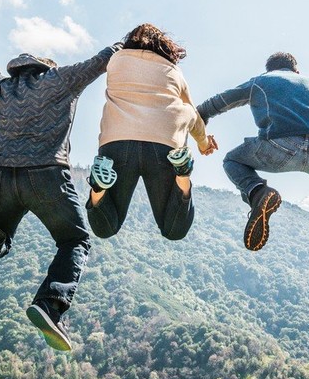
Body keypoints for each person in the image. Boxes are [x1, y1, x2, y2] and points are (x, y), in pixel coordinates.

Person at [0, 35, 121, 351]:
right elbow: (101, 61)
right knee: (75, 241)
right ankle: (50, 303)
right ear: (45, 67)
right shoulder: (60, 80)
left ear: (17, 70)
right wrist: (126, 42)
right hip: (46, 175)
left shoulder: (3, 88)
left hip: (2, 176)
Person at [196, 52, 309, 270]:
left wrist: (199, 130)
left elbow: (217, 103)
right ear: (297, 71)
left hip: (280, 148)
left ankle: (258, 192)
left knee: (232, 160)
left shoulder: (261, 81)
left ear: (270, 70)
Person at [85, 23, 217, 241]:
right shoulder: (173, 71)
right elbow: (192, 113)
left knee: (105, 228)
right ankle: (182, 175)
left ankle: (98, 189)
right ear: (166, 47)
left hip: (117, 142)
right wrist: (203, 144)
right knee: (174, 230)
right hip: (164, 144)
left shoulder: (115, 61)